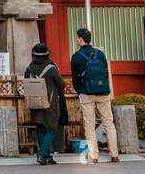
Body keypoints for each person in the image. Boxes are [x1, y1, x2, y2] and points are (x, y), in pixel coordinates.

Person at [70, 27, 119, 163]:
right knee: (109, 123)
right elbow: (106, 71)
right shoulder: (100, 54)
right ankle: (114, 154)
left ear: (80, 39)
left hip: (86, 93)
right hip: (103, 92)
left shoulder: (76, 56)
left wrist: (80, 90)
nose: (76, 40)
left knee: (89, 125)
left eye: (77, 37)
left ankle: (94, 155)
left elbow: (75, 78)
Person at [25, 42, 67, 165]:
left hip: (35, 103)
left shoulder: (29, 69)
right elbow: (62, 85)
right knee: (51, 129)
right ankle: (42, 154)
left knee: (40, 129)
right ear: (46, 55)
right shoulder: (51, 68)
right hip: (49, 104)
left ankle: (47, 156)